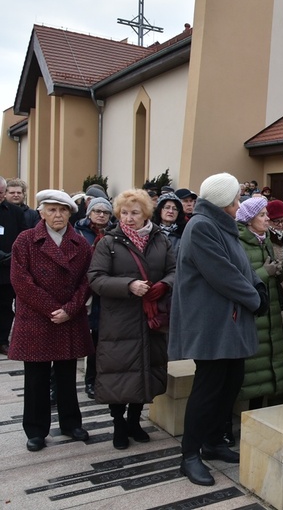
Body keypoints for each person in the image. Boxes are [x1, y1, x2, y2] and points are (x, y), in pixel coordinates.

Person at [169, 173, 268, 486]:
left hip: (230, 319)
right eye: (236, 198)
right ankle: (189, 455)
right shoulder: (202, 226)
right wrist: (255, 299)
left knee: (231, 381)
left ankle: (212, 442)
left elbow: (241, 265)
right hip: (212, 321)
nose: (239, 203)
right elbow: (222, 273)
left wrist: (259, 287)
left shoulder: (221, 225)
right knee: (209, 387)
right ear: (224, 201)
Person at [87, 189, 176, 450]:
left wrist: (164, 285)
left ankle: (135, 421)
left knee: (146, 370)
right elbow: (96, 278)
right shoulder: (109, 242)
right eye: (123, 213)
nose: (128, 218)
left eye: (134, 213)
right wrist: (128, 285)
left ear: (146, 214)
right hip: (120, 320)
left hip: (152, 318)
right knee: (119, 373)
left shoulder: (160, 239)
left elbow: (175, 270)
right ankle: (118, 424)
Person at [8, 190, 94, 451]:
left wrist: (69, 309)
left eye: (63, 210)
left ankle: (71, 423)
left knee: (67, 375)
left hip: (69, 317)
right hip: (36, 318)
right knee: (36, 377)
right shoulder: (25, 241)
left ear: (70, 213)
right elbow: (20, 281)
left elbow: (87, 281)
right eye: (52, 210)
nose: (58, 215)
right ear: (41, 213)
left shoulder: (81, 245)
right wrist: (51, 308)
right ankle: (35, 430)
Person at [235, 197, 283, 409]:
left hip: (270, 310)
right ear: (249, 220)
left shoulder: (264, 239)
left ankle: (258, 416)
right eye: (262, 215)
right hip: (251, 314)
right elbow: (236, 281)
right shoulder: (237, 241)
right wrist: (264, 273)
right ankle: (229, 426)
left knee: (266, 369)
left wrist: (279, 269)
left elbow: (276, 276)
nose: (268, 219)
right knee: (249, 370)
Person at [74, 195, 114, 399]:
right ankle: (57, 385)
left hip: (103, 294)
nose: (101, 215)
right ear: (90, 213)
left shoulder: (114, 233)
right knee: (72, 340)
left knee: (96, 342)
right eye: (97, 211)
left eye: (105, 212)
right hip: (81, 290)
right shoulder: (78, 231)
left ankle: (92, 381)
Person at [0, 176, 27, 355]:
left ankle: (2, 340)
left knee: (5, 308)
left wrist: (12, 256)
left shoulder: (15, 212)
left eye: (1, 193)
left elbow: (23, 238)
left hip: (7, 269)